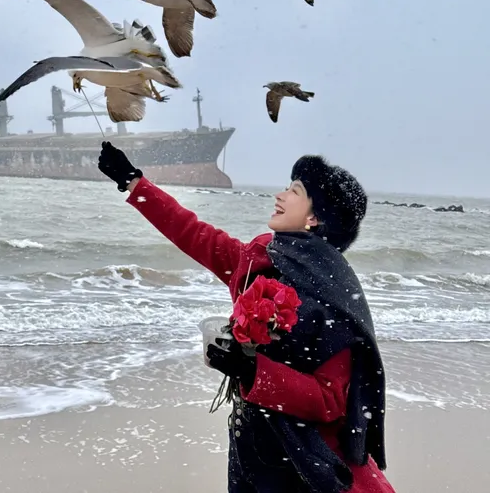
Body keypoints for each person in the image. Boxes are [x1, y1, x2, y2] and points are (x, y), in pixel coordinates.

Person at [98, 142, 398, 493]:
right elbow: (194, 233)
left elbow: (330, 400)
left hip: (303, 461)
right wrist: (134, 183)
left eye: (294, 190)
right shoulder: (260, 260)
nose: (280, 195)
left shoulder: (335, 293)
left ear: (314, 218)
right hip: (252, 444)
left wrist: (252, 370)